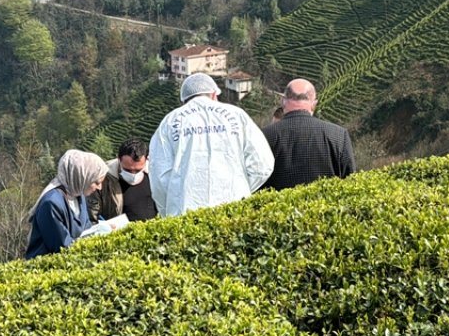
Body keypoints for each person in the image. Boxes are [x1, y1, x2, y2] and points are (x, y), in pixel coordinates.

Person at [149, 73, 274, 217]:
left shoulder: (170, 122)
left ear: (184, 101)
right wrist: (241, 190)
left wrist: (170, 209)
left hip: (186, 213)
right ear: (214, 94)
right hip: (234, 212)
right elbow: (263, 165)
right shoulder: (237, 115)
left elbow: (159, 176)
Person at [262, 78, 356, 190]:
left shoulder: (265, 135)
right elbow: (351, 181)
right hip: (326, 205)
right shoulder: (338, 135)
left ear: (283, 101)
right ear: (314, 104)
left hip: (276, 206)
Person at [25, 149, 110, 259]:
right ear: (81, 177)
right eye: (96, 182)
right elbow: (61, 246)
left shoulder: (79, 194)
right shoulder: (51, 203)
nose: (99, 188)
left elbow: (86, 229)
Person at [88, 138, 158, 223]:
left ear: (147, 159)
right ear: (119, 159)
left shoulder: (155, 174)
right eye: (128, 170)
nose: (133, 174)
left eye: (138, 170)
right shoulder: (102, 180)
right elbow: (92, 216)